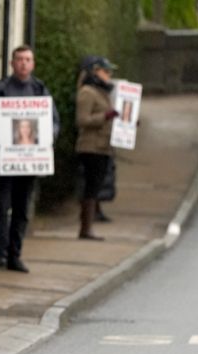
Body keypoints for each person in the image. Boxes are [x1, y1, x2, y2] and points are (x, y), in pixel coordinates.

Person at [0, 45, 60, 273]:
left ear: (33, 63)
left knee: (21, 210)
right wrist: (0, 139)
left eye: (28, 59)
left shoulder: (40, 90)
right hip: (3, 161)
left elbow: (53, 121)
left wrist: (47, 139)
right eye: (19, 59)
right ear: (12, 63)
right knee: (0, 208)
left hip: (29, 162)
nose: (23, 63)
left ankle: (14, 255)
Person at [75, 56, 119, 240]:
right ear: (95, 72)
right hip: (91, 147)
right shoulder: (87, 92)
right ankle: (86, 228)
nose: (109, 75)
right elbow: (82, 120)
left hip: (103, 146)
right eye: (105, 71)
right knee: (92, 187)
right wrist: (106, 116)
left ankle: (88, 226)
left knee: (96, 186)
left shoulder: (102, 92)